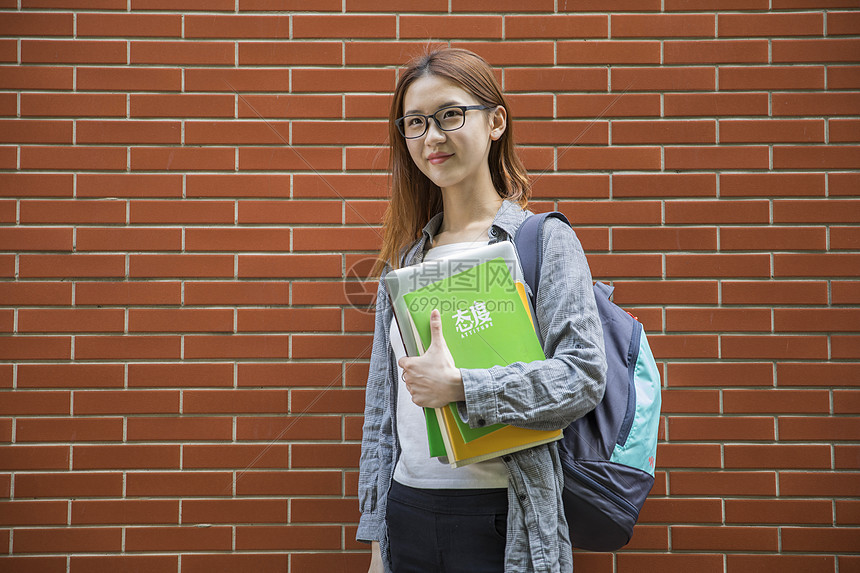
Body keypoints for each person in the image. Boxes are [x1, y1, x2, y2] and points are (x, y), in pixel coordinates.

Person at [357, 48, 607, 573]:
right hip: (408, 512)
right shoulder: (406, 260)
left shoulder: (541, 241)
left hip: (501, 516)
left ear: (496, 122)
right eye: (415, 123)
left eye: (450, 114)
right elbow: (382, 411)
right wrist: (378, 539)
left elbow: (583, 375)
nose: (432, 137)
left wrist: (464, 387)